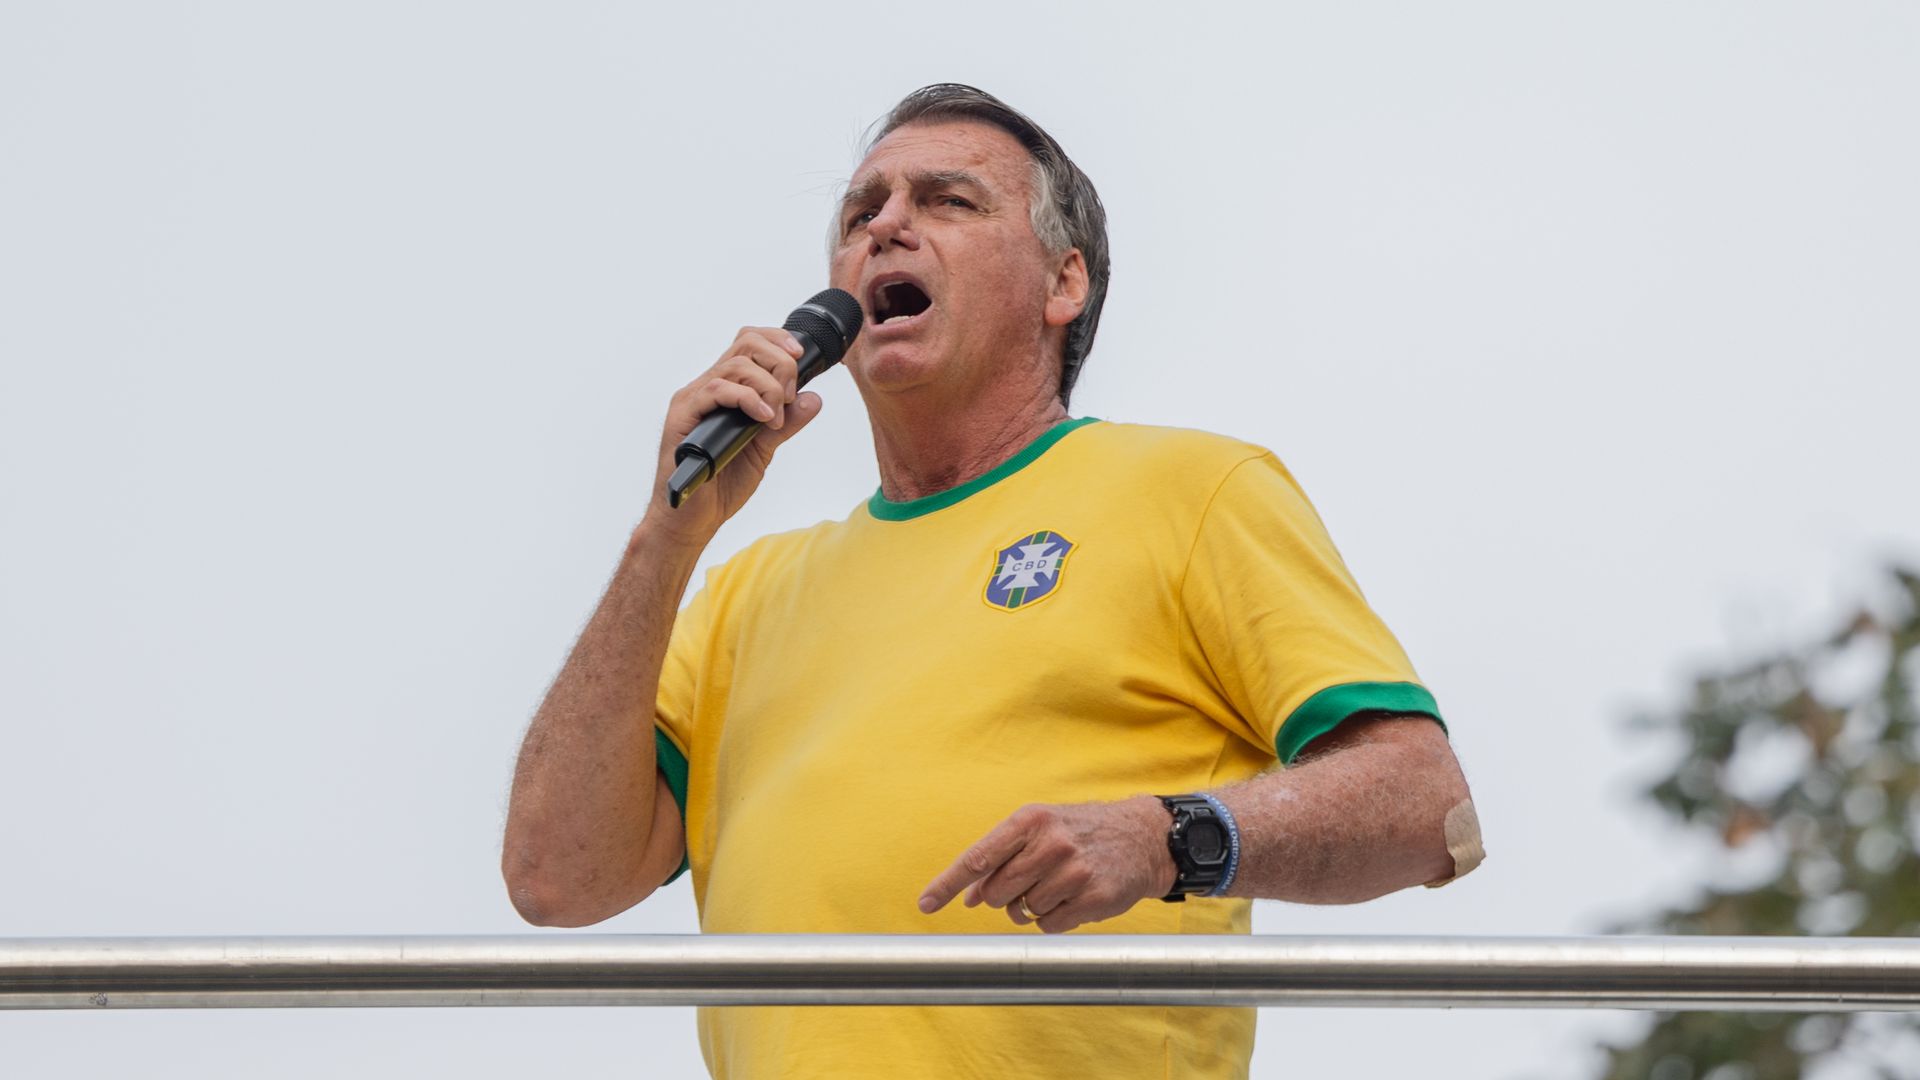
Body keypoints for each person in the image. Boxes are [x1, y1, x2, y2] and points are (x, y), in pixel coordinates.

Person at [502, 83, 1483, 1079]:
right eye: (861, 211)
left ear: (1064, 282)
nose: (887, 225)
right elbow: (555, 878)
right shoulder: (742, 594)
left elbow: (1426, 807)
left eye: (948, 201)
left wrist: (1169, 837)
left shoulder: (1191, 490)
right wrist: (666, 539)